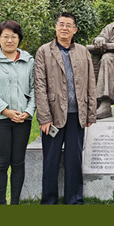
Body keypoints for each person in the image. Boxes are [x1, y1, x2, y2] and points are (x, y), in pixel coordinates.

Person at [34, 12, 96, 205]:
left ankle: (74, 199)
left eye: (69, 25)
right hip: (53, 117)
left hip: (77, 116)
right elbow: (40, 85)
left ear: (75, 30)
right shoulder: (44, 51)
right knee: (51, 161)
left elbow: (90, 84)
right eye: (61, 24)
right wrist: (44, 118)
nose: (64, 28)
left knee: (74, 161)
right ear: (55, 27)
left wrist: (90, 113)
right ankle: (49, 200)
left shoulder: (83, 52)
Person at [0, 20, 35, 206]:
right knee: (2, 163)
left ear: (19, 39)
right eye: (5, 37)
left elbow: (36, 89)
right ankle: (1, 203)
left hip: (22, 119)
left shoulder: (29, 61)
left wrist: (27, 112)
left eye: (14, 36)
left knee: (18, 163)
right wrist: (6, 111)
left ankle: (15, 203)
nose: (10, 40)